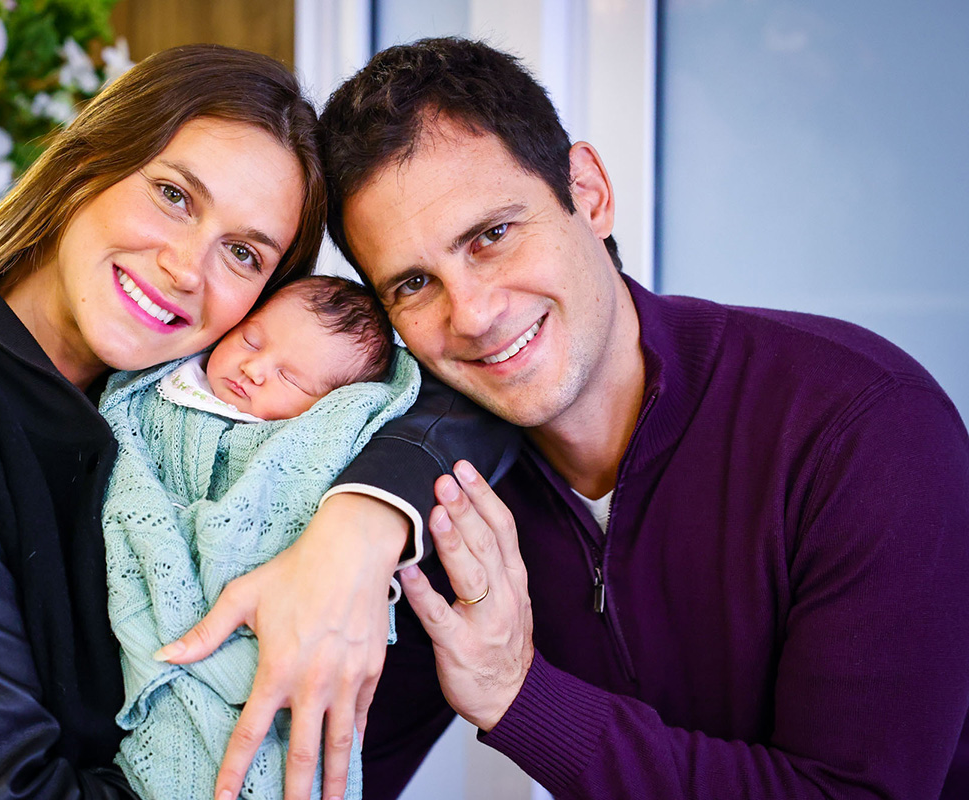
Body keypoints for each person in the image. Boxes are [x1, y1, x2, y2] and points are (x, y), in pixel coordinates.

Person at [0, 45, 507, 800]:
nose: (189, 268)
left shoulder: (177, 407)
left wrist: (359, 530)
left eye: (244, 253)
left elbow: (473, 392)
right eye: (174, 195)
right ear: (84, 166)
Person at [315, 37, 969, 799]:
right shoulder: (449, 491)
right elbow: (325, 770)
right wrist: (320, 556)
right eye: (415, 283)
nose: (474, 315)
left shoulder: (863, 426)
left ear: (587, 192)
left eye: (492, 235)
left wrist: (519, 698)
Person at [101, 276, 419, 800]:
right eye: (251, 339)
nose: (252, 369)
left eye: (290, 379)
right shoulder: (163, 383)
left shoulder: (302, 443)